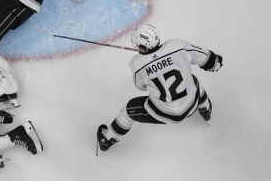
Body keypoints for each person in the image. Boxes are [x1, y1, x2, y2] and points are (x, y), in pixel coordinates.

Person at [95, 23, 224, 155]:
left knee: (128, 111)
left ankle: (107, 139)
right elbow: (206, 58)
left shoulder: (136, 64)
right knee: (194, 81)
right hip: (191, 104)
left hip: (163, 113)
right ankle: (205, 110)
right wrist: (216, 64)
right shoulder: (177, 46)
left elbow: (140, 86)